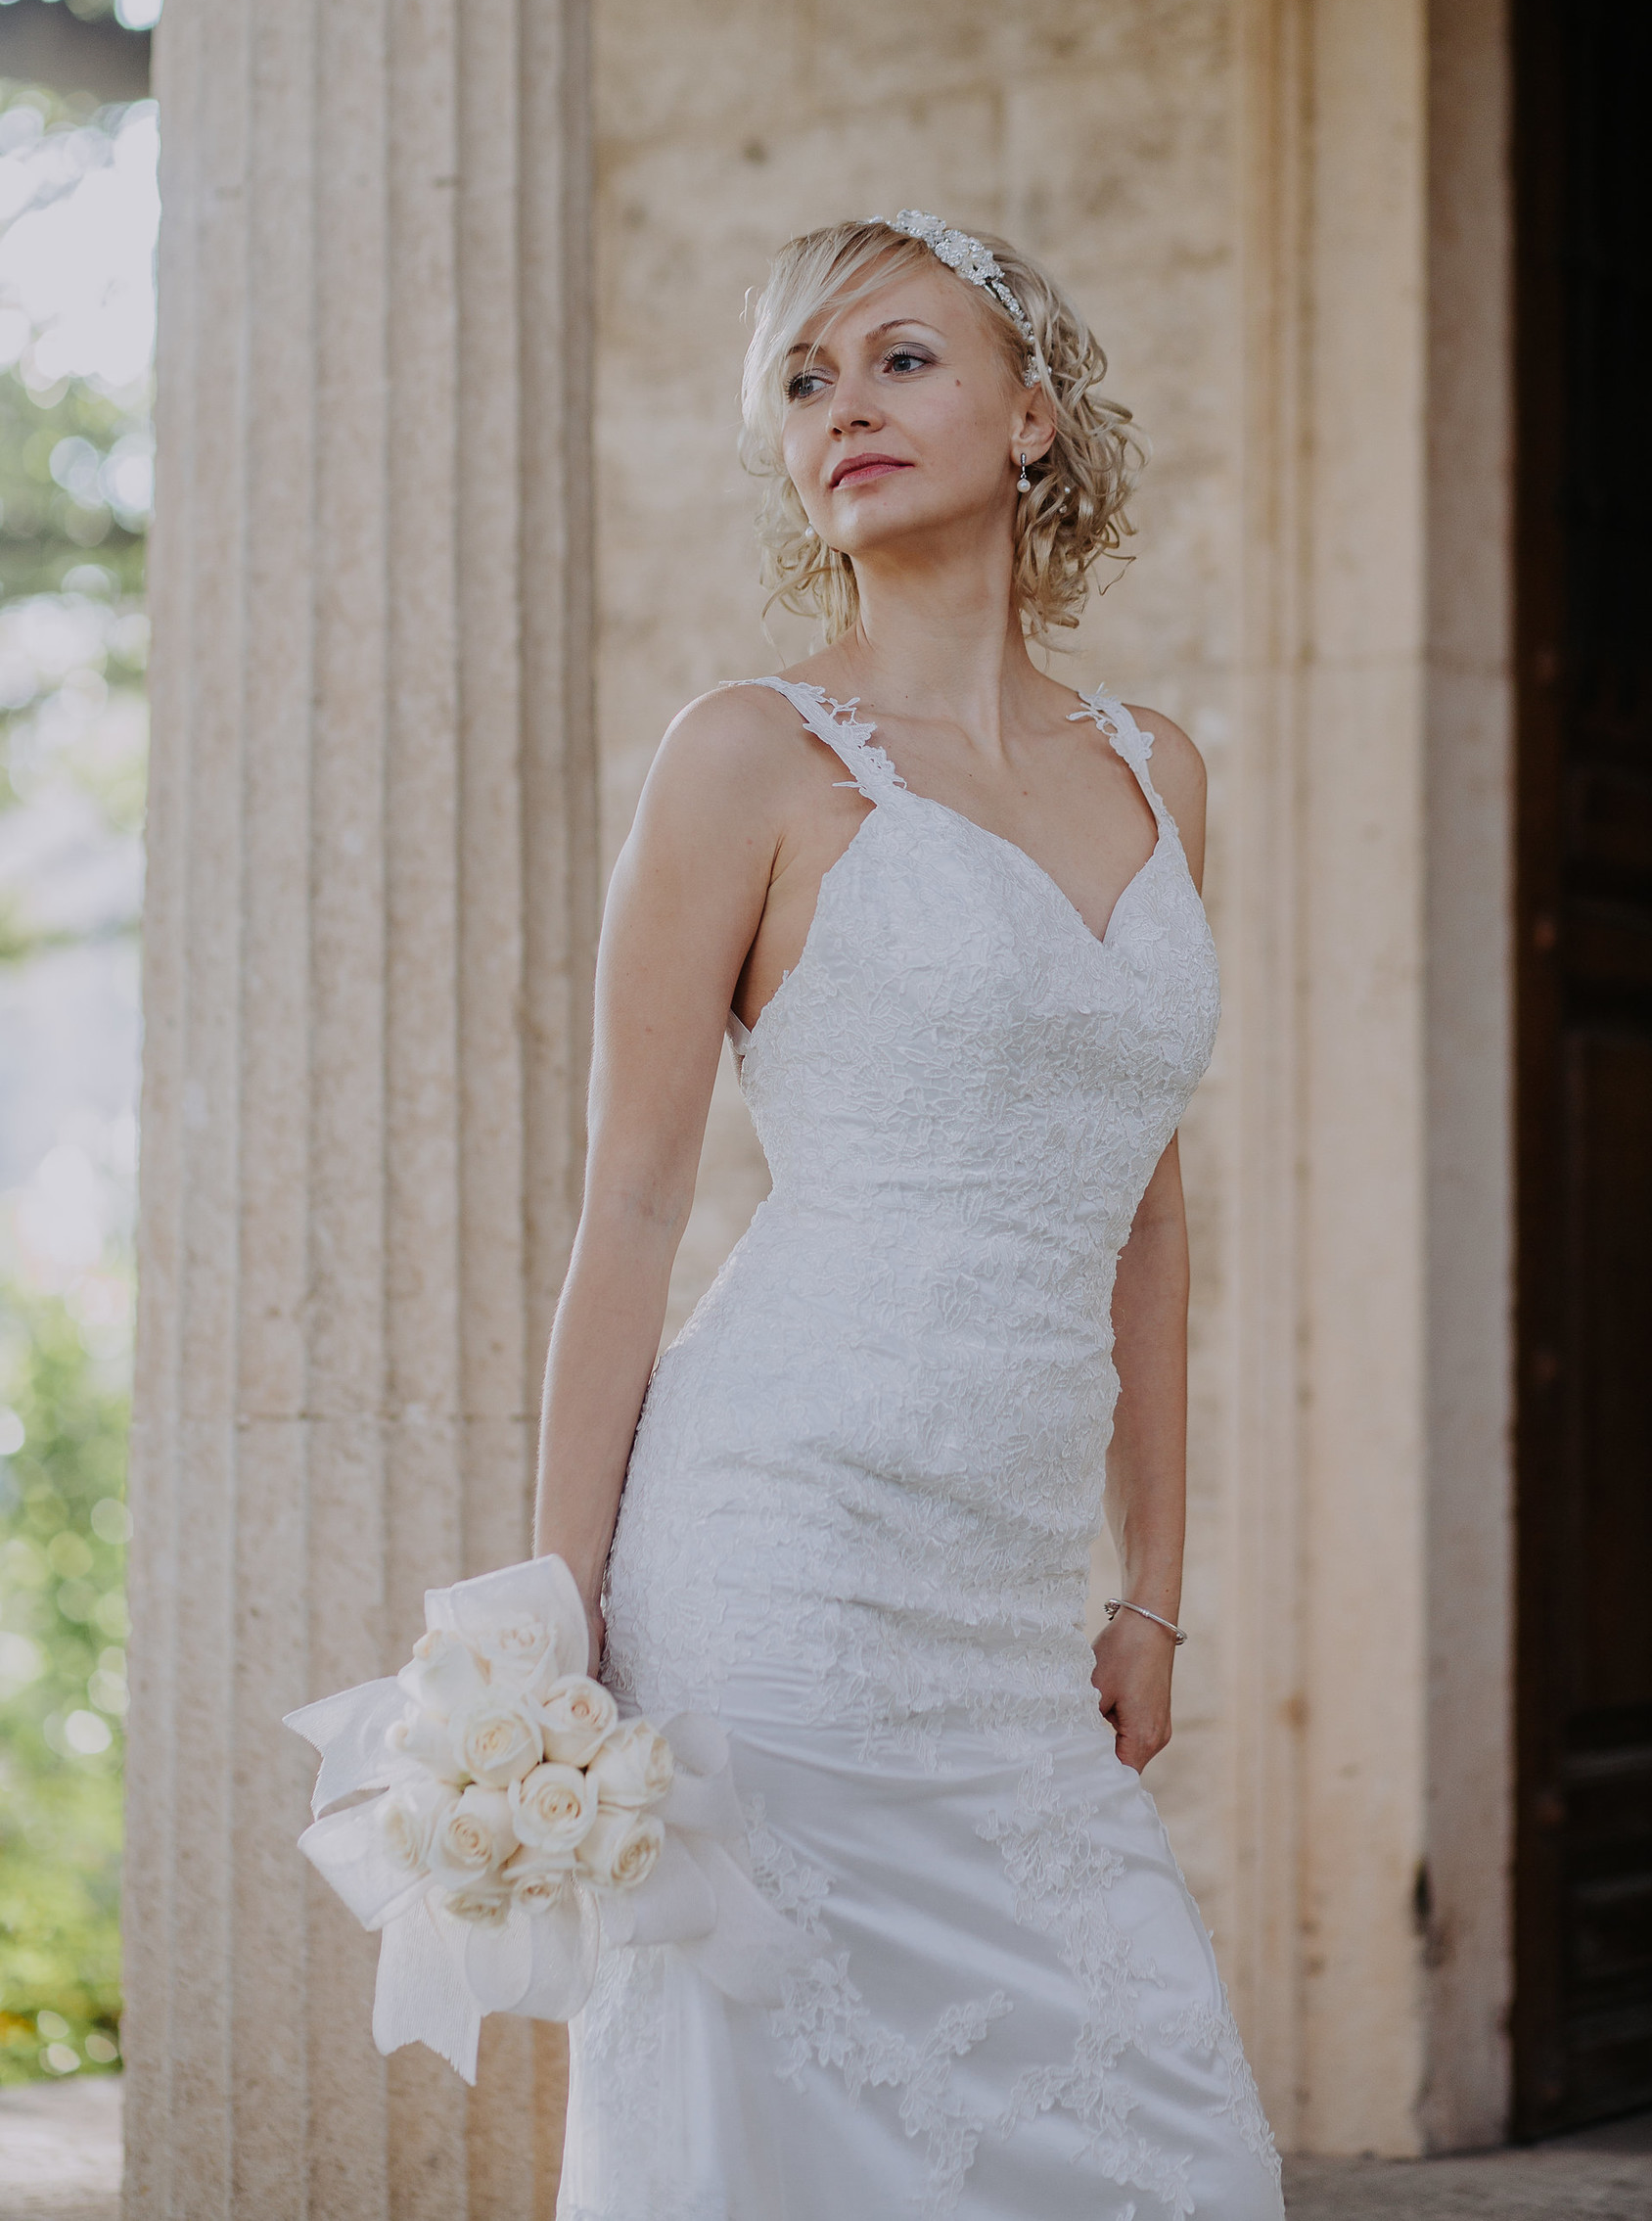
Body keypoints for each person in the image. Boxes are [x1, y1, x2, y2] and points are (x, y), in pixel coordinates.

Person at [535, 213, 1283, 2219]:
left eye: (900, 359)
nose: (842, 407)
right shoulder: (750, 758)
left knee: (1177, 2149)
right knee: (789, 2142)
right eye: (801, 378)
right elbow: (630, 1201)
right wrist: (550, 1604)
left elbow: (1147, 1199)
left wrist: (1155, 1582)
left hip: (1015, 1612)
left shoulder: (1159, 773)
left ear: (1034, 415)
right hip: (776, 1556)